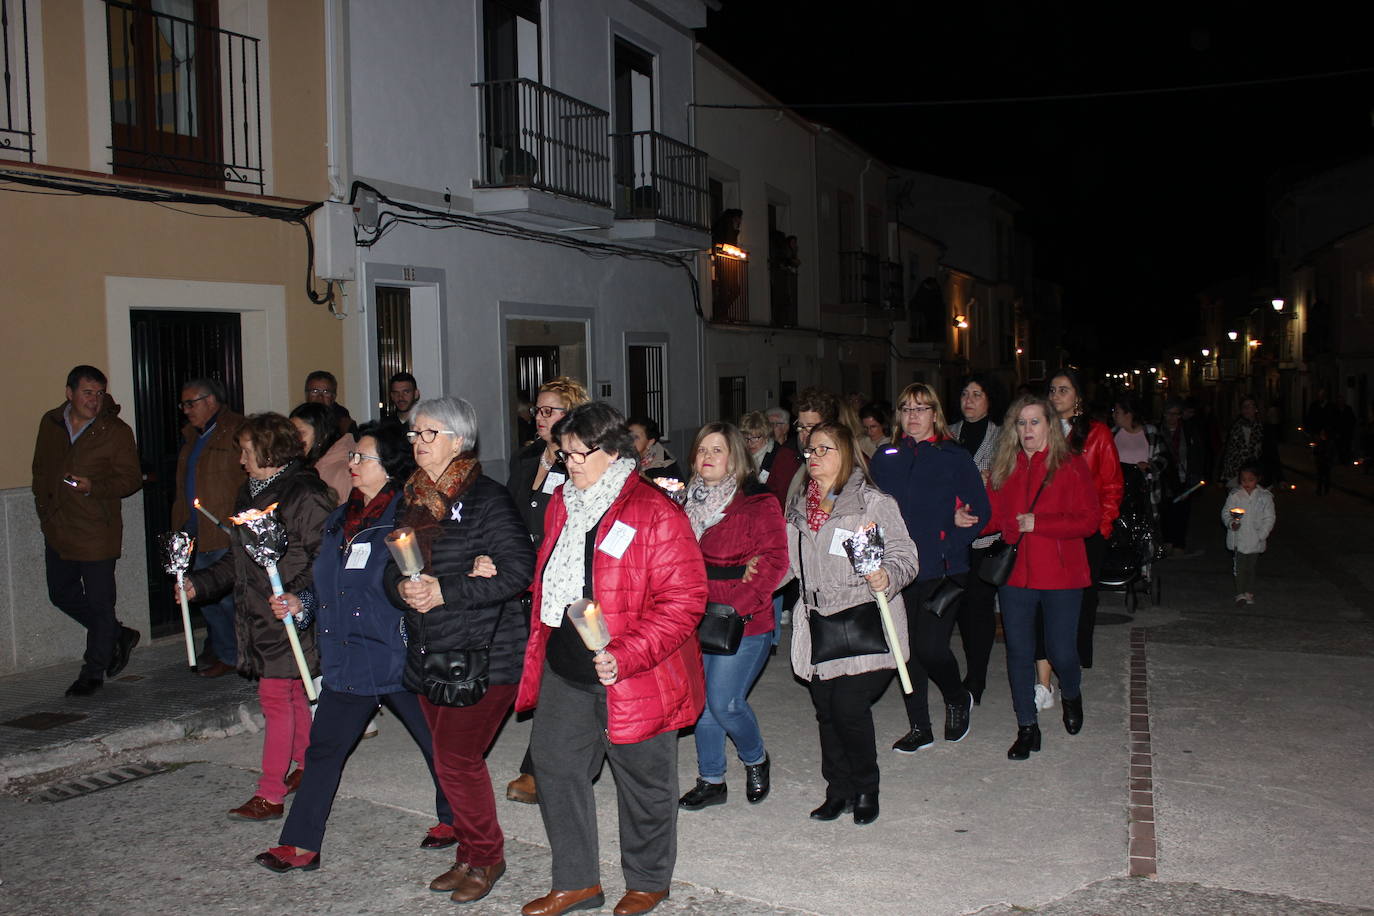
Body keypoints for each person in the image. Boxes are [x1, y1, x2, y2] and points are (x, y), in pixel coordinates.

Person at [516, 402, 706, 916]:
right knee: (555, 768)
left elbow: (685, 600)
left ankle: (647, 880)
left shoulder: (654, 511)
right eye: (565, 452)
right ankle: (577, 882)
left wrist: (626, 654)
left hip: (637, 670)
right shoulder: (561, 503)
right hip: (567, 664)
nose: (571, 461)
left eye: (582, 452)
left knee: (644, 780)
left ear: (616, 449)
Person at [253, 423, 457, 873]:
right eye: (353, 457)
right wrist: (299, 603)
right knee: (323, 749)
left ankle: (457, 818)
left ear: (388, 467)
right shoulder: (338, 521)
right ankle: (301, 843)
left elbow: (420, 582)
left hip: (399, 652)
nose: (352, 464)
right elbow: (326, 583)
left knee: (437, 743)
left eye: (362, 458)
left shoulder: (409, 518)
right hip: (348, 653)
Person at [385, 397, 535, 903]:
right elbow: (393, 570)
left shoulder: (487, 498)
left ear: (458, 439)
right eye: (414, 434)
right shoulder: (415, 499)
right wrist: (402, 590)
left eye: (428, 434)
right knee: (448, 758)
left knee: (456, 758)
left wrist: (446, 588)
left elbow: (518, 571)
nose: (418, 443)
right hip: (431, 649)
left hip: (487, 652)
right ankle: (469, 853)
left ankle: (487, 857)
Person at [182, 413, 335, 818]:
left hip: (290, 613)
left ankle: (270, 793)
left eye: (247, 451)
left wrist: (302, 596)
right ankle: (306, 764)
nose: (240, 460)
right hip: (257, 612)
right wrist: (201, 583)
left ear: (269, 450)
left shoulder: (305, 494)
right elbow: (240, 558)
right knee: (290, 693)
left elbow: (326, 557)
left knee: (276, 698)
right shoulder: (249, 492)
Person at [786, 422, 916, 826]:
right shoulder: (797, 508)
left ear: (846, 454)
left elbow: (905, 555)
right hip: (818, 625)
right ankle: (837, 790)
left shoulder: (871, 502)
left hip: (865, 623)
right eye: (810, 451)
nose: (814, 458)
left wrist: (887, 575)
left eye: (824, 449)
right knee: (826, 709)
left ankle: (866, 787)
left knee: (848, 707)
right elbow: (786, 565)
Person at [870, 383, 988, 752]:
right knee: (905, 651)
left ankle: (956, 696)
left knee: (931, 648)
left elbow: (980, 512)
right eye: (905, 408)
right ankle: (919, 726)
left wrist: (946, 541)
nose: (912, 416)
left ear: (935, 414)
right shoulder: (885, 455)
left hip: (943, 568)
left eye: (921, 409)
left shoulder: (953, 455)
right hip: (897, 570)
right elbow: (870, 507)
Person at [677, 423, 788, 813]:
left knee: (724, 702)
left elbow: (775, 562)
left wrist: (736, 606)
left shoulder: (758, 502)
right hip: (691, 618)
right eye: (701, 449)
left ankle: (756, 758)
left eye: (717, 450)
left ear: (735, 458)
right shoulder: (682, 501)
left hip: (742, 621)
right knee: (702, 704)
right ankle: (711, 779)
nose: (707, 457)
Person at [981, 396, 1099, 760]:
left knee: (1062, 651)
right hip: (1016, 575)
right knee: (1018, 652)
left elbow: (1089, 520)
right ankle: (1027, 728)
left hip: (1062, 574)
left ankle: (1072, 692)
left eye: (1034, 422)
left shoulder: (1071, 465)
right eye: (1021, 423)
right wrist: (969, 518)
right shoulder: (1005, 467)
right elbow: (996, 518)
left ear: (1049, 425)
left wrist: (1041, 524)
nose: (1027, 430)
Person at [504, 376, 592, 805]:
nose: (540, 418)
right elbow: (509, 515)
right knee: (524, 668)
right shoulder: (525, 459)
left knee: (553, 672)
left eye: (550, 410)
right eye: (538, 410)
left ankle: (536, 768)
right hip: (521, 580)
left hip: (561, 582)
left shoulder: (582, 464)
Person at [32, 365, 143, 697]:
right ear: (69, 393)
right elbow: (40, 468)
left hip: (96, 530)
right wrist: (44, 508)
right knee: (61, 593)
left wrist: (95, 486)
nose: (94, 400)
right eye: (86, 393)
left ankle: (92, 672)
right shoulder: (51, 423)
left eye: (99, 393)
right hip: (59, 527)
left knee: (99, 604)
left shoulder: (115, 431)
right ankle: (118, 635)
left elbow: (131, 479)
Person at [170, 377, 245, 678]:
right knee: (204, 599)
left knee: (228, 600)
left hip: (223, 532)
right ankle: (227, 654)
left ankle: (244, 654)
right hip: (194, 531)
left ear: (211, 401)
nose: (186, 410)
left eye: (191, 403)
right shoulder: (192, 436)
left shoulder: (235, 430)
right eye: (183, 404)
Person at [1047, 369, 1122, 670]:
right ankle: (1050, 655)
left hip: (1085, 528)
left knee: (1083, 595)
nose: (1055, 396)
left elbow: (1113, 484)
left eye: (1063, 390)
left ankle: (1077, 656)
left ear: (1078, 396)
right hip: (1049, 525)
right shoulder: (1040, 429)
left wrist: (1102, 527)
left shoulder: (1097, 433)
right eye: (1052, 390)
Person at [948, 373, 1004, 705]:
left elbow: (1007, 480)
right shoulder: (948, 433)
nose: (969, 400)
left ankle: (977, 676)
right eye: (965, 393)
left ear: (989, 400)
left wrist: (991, 480)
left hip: (984, 538)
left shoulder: (1001, 437)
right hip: (951, 536)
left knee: (978, 611)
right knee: (951, 607)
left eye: (977, 394)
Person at [1222, 464, 1275, 606]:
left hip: (1255, 539)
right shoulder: (1235, 495)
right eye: (1243, 479)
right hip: (1238, 539)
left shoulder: (1264, 497)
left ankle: (1249, 592)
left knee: (1250, 568)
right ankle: (1240, 593)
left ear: (1257, 479)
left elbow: (1269, 517)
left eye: (1250, 479)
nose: (1246, 483)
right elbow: (1226, 512)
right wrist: (1231, 523)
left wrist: (1262, 534)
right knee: (1239, 567)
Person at [1159, 399, 1205, 555]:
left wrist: (1196, 474)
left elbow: (1197, 453)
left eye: (1176, 414)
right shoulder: (1158, 431)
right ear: (1164, 415)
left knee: (1183, 511)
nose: (1172, 417)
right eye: (1169, 414)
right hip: (1165, 478)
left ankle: (1179, 543)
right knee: (1166, 510)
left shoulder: (1188, 430)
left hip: (1184, 476)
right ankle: (1167, 541)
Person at [290, 402, 356, 505]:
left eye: (301, 433)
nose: (294, 440)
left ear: (322, 435)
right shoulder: (300, 465)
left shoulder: (342, 471)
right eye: (291, 434)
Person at [739, 410, 800, 507]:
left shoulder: (779, 456)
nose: (750, 443)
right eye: (746, 438)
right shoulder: (741, 457)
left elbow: (780, 494)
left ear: (766, 436)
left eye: (755, 438)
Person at [1219, 397, 1263, 489]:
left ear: (1256, 409)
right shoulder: (1235, 427)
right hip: (1235, 474)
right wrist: (1221, 477)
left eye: (1249, 406)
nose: (1246, 409)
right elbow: (1227, 452)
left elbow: (1272, 453)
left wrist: (1280, 478)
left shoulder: (1263, 428)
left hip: (1256, 474)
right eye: (1244, 406)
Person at [628, 415, 683, 482]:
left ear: (650, 442)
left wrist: (646, 480)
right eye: (627, 435)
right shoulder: (619, 456)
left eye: (636, 437)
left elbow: (674, 490)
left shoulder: (665, 466)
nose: (629, 440)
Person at [304, 370, 355, 438]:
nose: (320, 397)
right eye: (315, 391)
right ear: (306, 394)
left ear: (334, 396)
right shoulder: (299, 416)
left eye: (326, 392)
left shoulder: (342, 420)